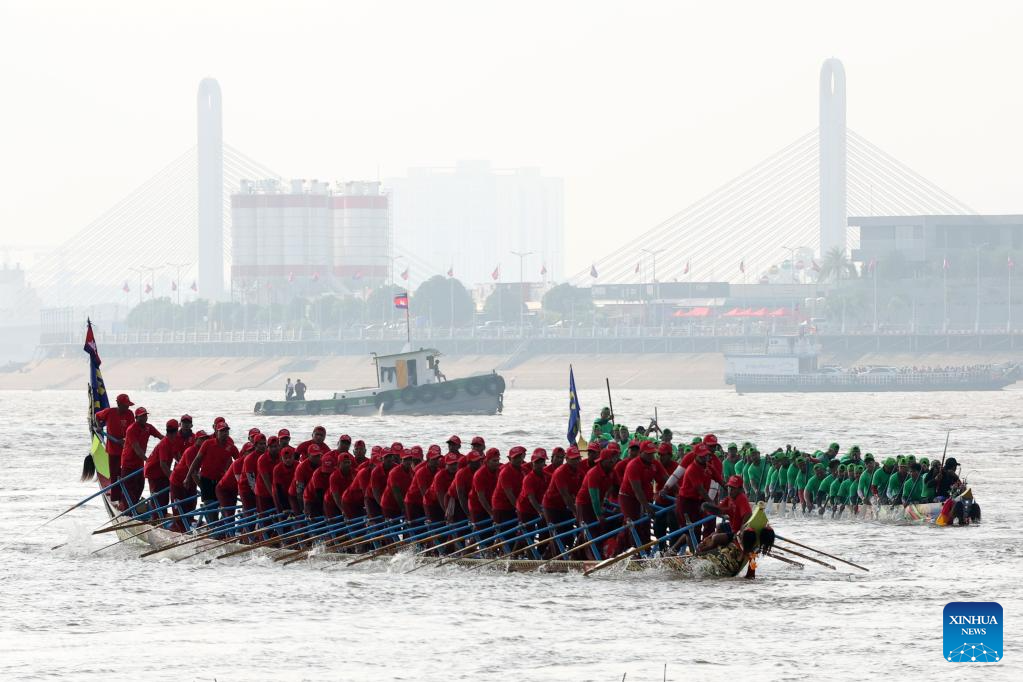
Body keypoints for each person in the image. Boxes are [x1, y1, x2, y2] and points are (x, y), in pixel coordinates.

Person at [187, 419, 238, 524]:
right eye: (222, 431)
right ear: (216, 432)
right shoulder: (207, 443)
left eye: (226, 431)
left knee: (225, 508)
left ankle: (220, 529)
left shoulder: (231, 447)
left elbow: (241, 461)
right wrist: (187, 477)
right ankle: (213, 529)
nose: (225, 433)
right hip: (206, 480)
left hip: (221, 481)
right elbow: (197, 460)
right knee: (210, 508)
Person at [95, 393, 136, 508]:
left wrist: (125, 440)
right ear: (118, 404)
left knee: (126, 475)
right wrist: (99, 427)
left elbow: (133, 429)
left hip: (126, 449)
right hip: (113, 449)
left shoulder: (130, 414)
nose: (127, 407)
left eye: (128, 405)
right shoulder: (109, 412)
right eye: (125, 405)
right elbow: (97, 416)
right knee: (114, 474)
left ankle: (127, 498)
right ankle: (116, 499)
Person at [575, 447, 617, 559]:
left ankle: (577, 555)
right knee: (591, 532)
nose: (613, 463)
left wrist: (604, 503)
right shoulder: (594, 473)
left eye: (613, 460)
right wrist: (599, 515)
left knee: (602, 528)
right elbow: (594, 498)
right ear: (603, 461)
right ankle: (594, 559)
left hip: (596, 503)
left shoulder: (611, 472)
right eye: (610, 461)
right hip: (584, 504)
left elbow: (612, 488)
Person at [120, 407, 164, 509]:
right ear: (136, 418)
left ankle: (133, 507)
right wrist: (147, 459)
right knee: (128, 487)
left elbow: (161, 437)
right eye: (142, 416)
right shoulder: (131, 429)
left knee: (140, 486)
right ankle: (127, 510)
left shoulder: (149, 427)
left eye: (145, 415)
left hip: (139, 464)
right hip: (128, 463)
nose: (145, 418)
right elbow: (136, 448)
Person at [698, 475, 752, 553]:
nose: (730, 490)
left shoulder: (741, 498)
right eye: (729, 487)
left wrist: (740, 532)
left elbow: (748, 515)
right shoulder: (729, 498)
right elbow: (719, 510)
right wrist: (708, 507)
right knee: (719, 526)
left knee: (716, 538)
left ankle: (707, 550)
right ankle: (706, 544)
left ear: (740, 489)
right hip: (732, 527)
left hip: (737, 531)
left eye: (733, 488)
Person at [144, 418, 183, 512]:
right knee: (158, 496)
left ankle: (162, 514)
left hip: (162, 472)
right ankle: (156, 518)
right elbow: (163, 465)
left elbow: (178, 457)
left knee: (165, 496)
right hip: (153, 473)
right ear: (175, 431)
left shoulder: (174, 441)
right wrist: (172, 478)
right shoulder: (164, 444)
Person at [492, 446, 526, 527]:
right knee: (505, 534)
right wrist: (519, 509)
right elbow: (509, 494)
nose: (518, 460)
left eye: (519, 457)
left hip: (513, 505)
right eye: (515, 458)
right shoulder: (505, 473)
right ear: (509, 458)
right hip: (501, 507)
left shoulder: (524, 470)